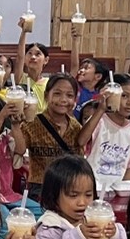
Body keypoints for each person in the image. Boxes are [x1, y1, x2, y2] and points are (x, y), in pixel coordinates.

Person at [14, 74, 81, 204]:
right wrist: (16, 125)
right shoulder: (32, 124)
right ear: (46, 96)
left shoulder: (76, 127)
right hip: (40, 188)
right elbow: (19, 151)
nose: (63, 100)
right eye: (57, 94)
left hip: (69, 186)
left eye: (69, 95)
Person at [80, 74, 130, 193]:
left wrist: (120, 190)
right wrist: (101, 109)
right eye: (124, 96)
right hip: (91, 187)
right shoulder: (99, 121)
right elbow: (81, 141)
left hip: (116, 190)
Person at [14, 24, 52, 105]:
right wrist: (24, 32)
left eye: (38, 54)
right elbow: (20, 57)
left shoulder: (49, 82)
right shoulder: (21, 78)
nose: (33, 57)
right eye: (30, 53)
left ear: (46, 60)